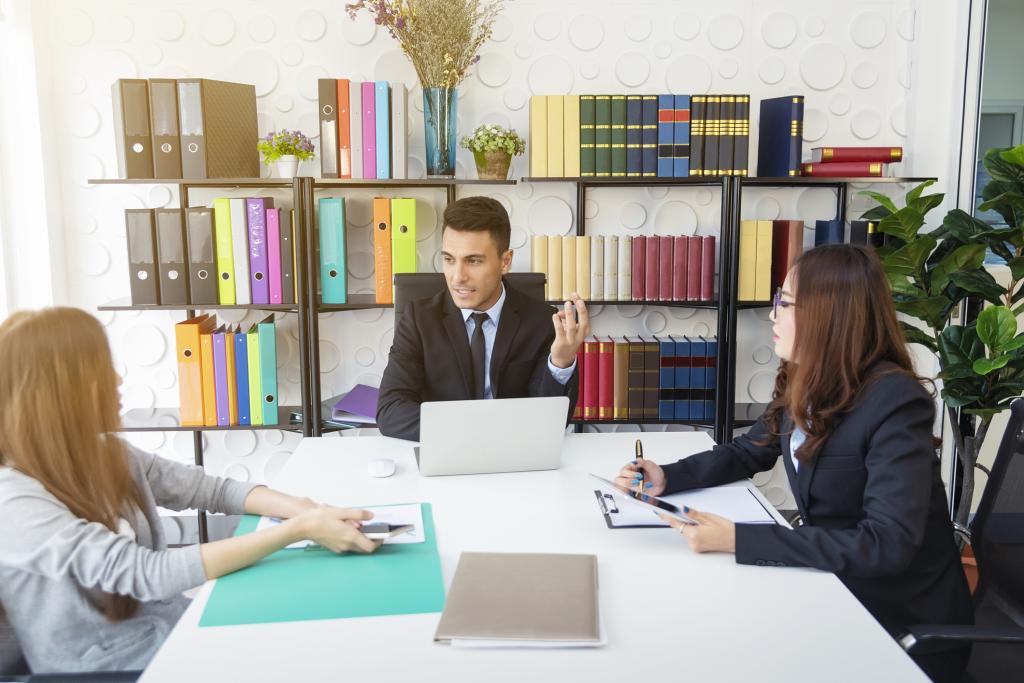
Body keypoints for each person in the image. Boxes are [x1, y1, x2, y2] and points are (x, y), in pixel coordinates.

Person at [615, 244, 973, 683]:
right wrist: (669, 475)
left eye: (784, 302)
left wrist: (739, 539)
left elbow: (886, 544)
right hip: (835, 587)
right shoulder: (808, 378)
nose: (773, 314)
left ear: (827, 314)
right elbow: (750, 450)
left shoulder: (895, 402)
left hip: (896, 620)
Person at [0, 308, 380, 673]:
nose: (117, 380)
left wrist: (303, 508)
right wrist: (298, 529)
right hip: (102, 668)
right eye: (101, 369)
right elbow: (148, 574)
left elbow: (212, 490)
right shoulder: (14, 502)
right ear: (59, 390)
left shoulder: (105, 452)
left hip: (163, 631)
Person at [377, 196, 589, 441]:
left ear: (505, 261)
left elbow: (551, 422)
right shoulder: (418, 319)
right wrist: (478, 429)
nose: (457, 277)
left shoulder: (543, 321)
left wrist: (561, 362)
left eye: (473, 261)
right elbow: (390, 411)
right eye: (449, 259)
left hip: (514, 460)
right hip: (447, 454)